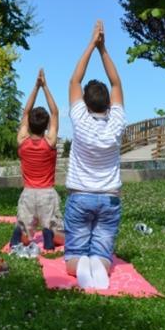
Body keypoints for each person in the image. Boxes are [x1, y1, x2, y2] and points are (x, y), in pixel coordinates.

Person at [64, 20, 126, 290]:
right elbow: (116, 81)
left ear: (85, 103)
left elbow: (74, 79)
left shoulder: (79, 119)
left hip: (79, 196)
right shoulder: (116, 123)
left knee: (72, 257)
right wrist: (104, 50)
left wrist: (91, 44)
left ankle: (80, 265)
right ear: (109, 104)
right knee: (103, 252)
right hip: (109, 198)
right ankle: (98, 265)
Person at [9, 68, 65, 254]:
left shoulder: (22, 141)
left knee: (23, 226)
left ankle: (16, 240)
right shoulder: (49, 142)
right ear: (47, 125)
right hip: (47, 193)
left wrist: (36, 87)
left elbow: (25, 113)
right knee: (54, 228)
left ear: (29, 124)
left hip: (28, 193)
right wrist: (45, 87)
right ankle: (48, 242)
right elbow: (55, 112)